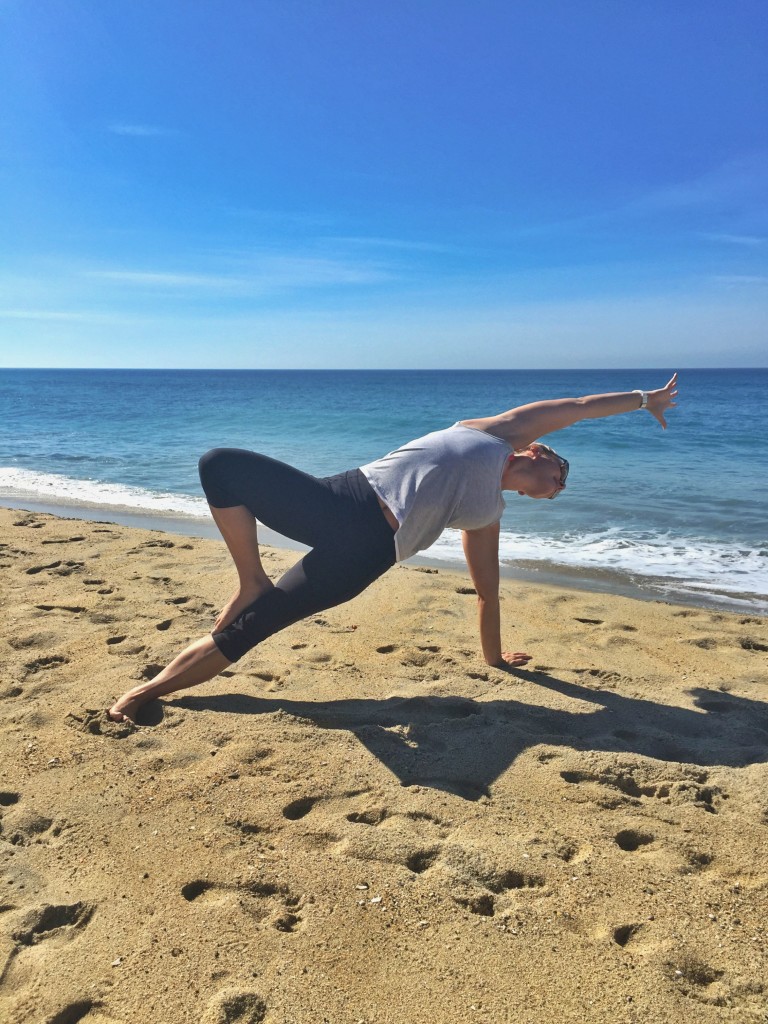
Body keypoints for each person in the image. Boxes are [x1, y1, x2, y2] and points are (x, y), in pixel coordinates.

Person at [108, 373, 678, 724]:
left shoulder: (486, 515)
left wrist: (495, 659)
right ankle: (249, 577)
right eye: (561, 475)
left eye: (561, 490)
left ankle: (152, 688)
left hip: (367, 554)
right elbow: (579, 407)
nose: (560, 487)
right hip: (342, 499)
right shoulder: (494, 433)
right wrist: (644, 398)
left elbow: (488, 591)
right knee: (221, 465)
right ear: (541, 454)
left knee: (254, 628)